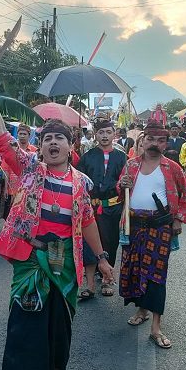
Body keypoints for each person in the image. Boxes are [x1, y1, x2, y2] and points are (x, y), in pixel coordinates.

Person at [0, 71, 114, 370]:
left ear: (71, 147)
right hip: (30, 264)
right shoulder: (28, 171)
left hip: (64, 265)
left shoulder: (80, 184)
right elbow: (2, 137)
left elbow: (86, 223)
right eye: (47, 138)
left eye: (60, 139)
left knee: (59, 334)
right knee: (18, 335)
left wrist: (100, 259)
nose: (53, 143)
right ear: (39, 146)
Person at [118, 121, 186, 349]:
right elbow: (120, 192)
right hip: (134, 226)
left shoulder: (172, 168)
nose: (155, 144)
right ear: (143, 141)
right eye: (150, 139)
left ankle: (156, 327)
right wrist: (121, 184)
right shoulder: (130, 165)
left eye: (160, 141)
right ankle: (142, 310)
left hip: (160, 228)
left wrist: (178, 218)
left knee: (157, 276)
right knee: (135, 269)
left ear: (165, 143)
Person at [77, 118, 128, 297]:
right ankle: (90, 282)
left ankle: (107, 279)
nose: (104, 136)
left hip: (113, 207)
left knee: (111, 242)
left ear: (115, 134)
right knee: (89, 243)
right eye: (101, 132)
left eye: (108, 132)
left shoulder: (122, 157)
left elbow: (127, 181)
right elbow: (79, 180)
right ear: (95, 135)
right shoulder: (88, 156)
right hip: (90, 208)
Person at [1, 124, 37, 219]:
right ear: (17, 134)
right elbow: (6, 170)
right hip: (12, 190)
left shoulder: (35, 151)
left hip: (28, 190)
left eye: (24, 134)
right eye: (20, 133)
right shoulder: (11, 149)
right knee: (9, 217)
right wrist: (5, 188)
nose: (22, 136)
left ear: (29, 135)